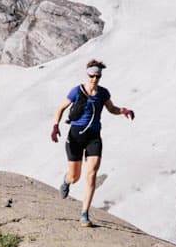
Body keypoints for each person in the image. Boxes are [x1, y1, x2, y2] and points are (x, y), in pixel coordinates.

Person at [50, 58, 134, 227]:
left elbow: (111, 109)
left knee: (91, 175)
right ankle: (66, 181)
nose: (95, 79)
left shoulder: (103, 93)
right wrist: (55, 126)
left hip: (94, 137)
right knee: (75, 176)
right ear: (87, 74)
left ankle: (84, 214)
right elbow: (60, 108)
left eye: (98, 76)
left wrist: (123, 110)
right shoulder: (76, 91)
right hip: (75, 136)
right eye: (92, 76)